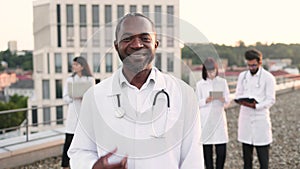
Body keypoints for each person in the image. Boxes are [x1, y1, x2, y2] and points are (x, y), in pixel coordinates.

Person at [68, 13, 204, 169]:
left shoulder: (184, 95)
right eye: (127, 39)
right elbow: (79, 151)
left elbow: (193, 159)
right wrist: (93, 166)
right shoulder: (94, 96)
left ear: (156, 45)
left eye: (145, 38)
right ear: (116, 45)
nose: (137, 45)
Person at [235, 49, 276, 169]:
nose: (251, 67)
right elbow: (238, 94)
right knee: (247, 161)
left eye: (253, 65)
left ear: (260, 63)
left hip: (260, 119)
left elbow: (271, 99)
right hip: (245, 119)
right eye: (249, 65)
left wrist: (256, 105)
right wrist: (241, 100)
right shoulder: (242, 76)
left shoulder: (268, 78)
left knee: (263, 160)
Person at [195, 57, 230, 169]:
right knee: (207, 151)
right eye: (208, 71)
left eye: (213, 71)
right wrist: (206, 100)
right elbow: (196, 103)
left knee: (221, 151)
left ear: (216, 70)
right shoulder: (200, 84)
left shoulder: (222, 82)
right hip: (206, 119)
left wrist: (222, 99)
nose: (211, 74)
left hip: (219, 118)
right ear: (204, 71)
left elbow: (228, 100)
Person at [61, 56, 95, 169]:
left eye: (76, 64)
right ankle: (65, 165)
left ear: (82, 66)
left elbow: (93, 96)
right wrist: (74, 97)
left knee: (86, 141)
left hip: (85, 113)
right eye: (73, 65)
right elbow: (65, 97)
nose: (74, 67)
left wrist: (83, 97)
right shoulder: (70, 80)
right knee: (69, 140)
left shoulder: (90, 80)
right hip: (73, 112)